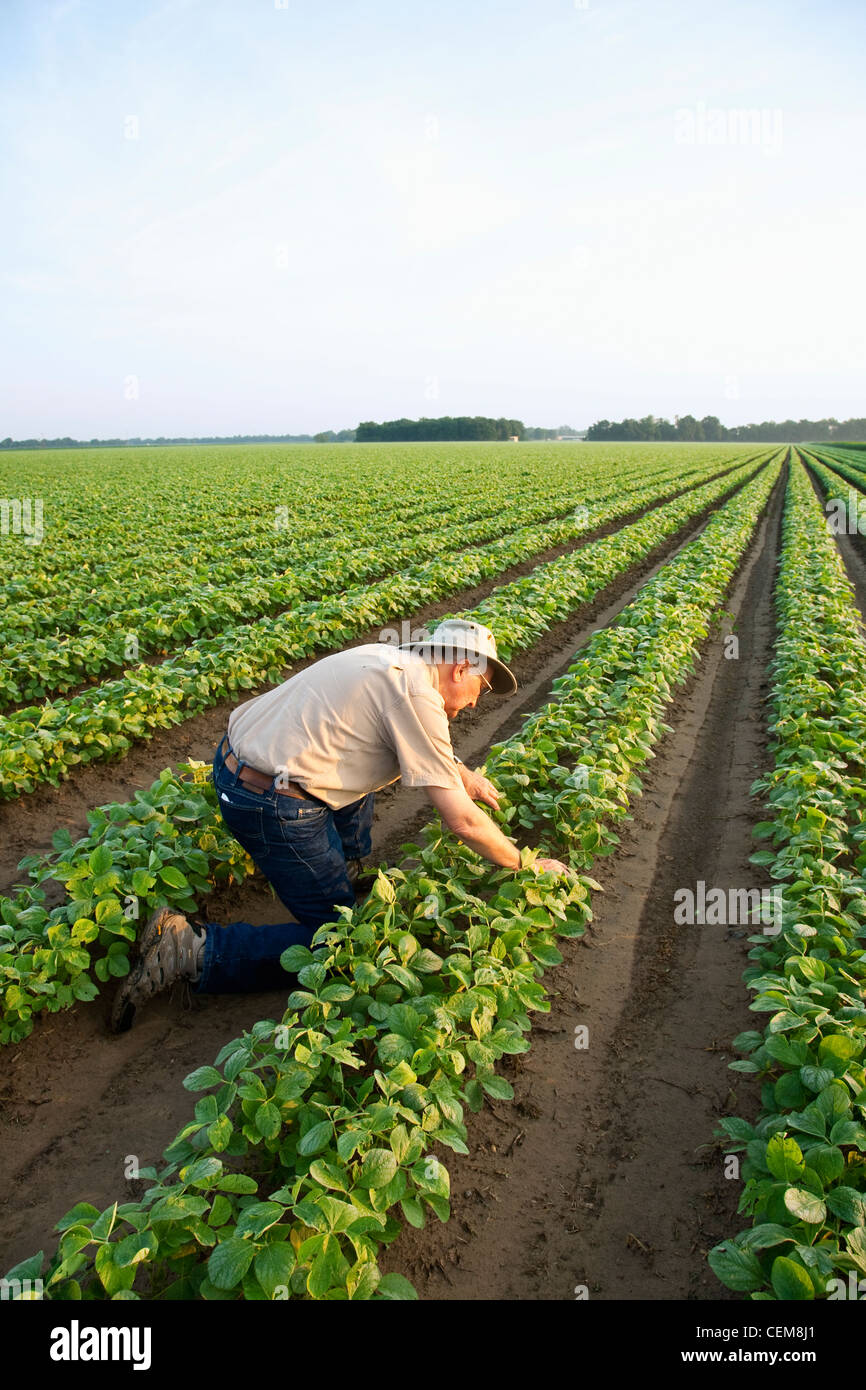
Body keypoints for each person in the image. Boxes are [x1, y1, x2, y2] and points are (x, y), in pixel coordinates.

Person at [110, 618, 570, 1032]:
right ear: (460, 670)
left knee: (366, 769)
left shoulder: (391, 662)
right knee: (338, 943)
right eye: (482, 688)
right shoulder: (414, 690)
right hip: (270, 802)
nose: (474, 703)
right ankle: (190, 948)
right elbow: (464, 823)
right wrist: (525, 865)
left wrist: (458, 771)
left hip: (240, 765)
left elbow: (398, 728)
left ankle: (337, 875)